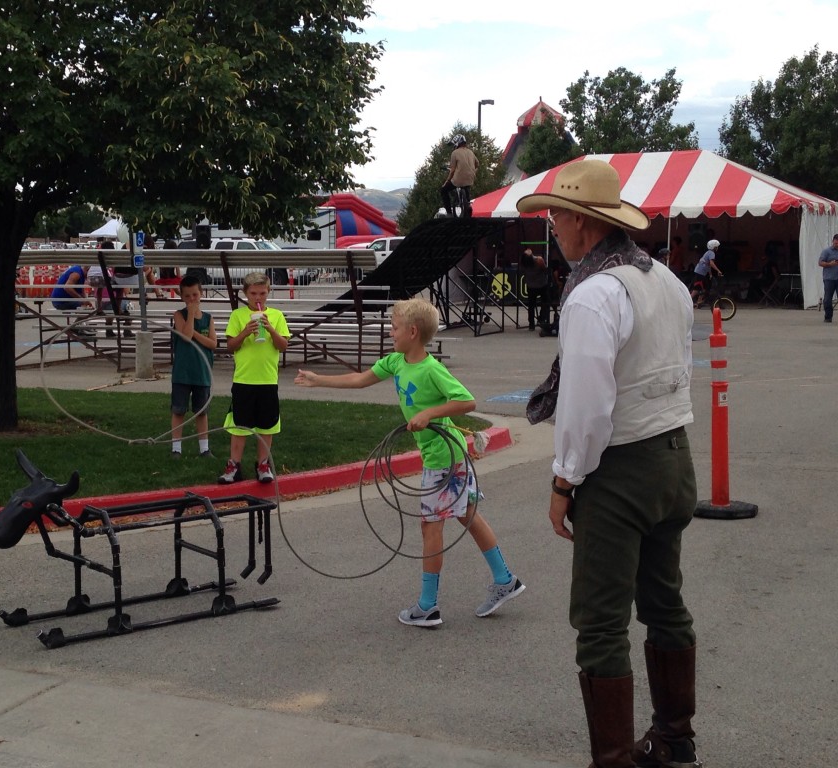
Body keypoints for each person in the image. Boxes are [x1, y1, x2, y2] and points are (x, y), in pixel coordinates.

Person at [518, 159, 701, 768]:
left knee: (600, 624)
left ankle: (616, 759)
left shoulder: (595, 293)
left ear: (580, 222)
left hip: (621, 469)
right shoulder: (665, 280)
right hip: (674, 458)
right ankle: (676, 739)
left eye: (555, 216)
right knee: (664, 600)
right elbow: (680, 369)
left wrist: (565, 479)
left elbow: (587, 405)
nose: (551, 227)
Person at [294, 297, 525, 628]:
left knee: (432, 525)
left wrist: (429, 412)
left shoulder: (431, 369)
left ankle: (428, 607)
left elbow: (467, 401)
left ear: (413, 332)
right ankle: (505, 580)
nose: (391, 332)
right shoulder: (396, 361)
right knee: (467, 515)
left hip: (444, 457)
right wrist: (319, 380)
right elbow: (360, 379)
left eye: (394, 327)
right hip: (446, 455)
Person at [218, 272, 290, 484]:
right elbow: (231, 346)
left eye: (262, 293)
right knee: (240, 426)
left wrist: (270, 328)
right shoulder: (238, 316)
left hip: (267, 379)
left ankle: (263, 464)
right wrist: (245, 332)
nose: (258, 298)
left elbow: (283, 346)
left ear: (268, 292)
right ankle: (233, 466)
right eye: (253, 293)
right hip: (244, 379)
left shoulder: (276, 316)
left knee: (266, 426)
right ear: (245, 294)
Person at [170, 274, 218, 458]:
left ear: (201, 294)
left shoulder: (208, 318)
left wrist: (197, 334)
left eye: (195, 295)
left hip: (202, 373)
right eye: (187, 296)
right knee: (179, 410)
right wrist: (190, 315)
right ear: (182, 297)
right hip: (183, 373)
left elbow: (213, 343)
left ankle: (204, 448)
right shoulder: (179, 315)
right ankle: (176, 448)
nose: (192, 299)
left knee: (201, 411)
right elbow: (185, 336)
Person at [440, 133, 479, 219]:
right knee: (466, 187)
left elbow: (453, 170)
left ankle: (449, 213)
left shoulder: (455, 153)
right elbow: (477, 164)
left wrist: (447, 181)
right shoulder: (471, 152)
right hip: (470, 178)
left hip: (458, 180)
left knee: (444, 190)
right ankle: (468, 204)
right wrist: (473, 171)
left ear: (457, 143)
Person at [520, 248, 552, 332]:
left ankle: (531, 324)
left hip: (531, 286)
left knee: (531, 305)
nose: (527, 250)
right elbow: (545, 270)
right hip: (541, 284)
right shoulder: (539, 260)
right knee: (545, 302)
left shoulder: (524, 263)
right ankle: (541, 318)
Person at [690, 239, 723, 306]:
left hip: (700, 272)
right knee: (697, 289)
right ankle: (688, 300)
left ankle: (699, 302)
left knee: (705, 287)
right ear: (714, 247)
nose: (717, 248)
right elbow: (711, 263)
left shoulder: (708, 252)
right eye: (717, 247)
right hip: (700, 273)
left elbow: (708, 265)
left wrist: (710, 274)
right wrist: (718, 270)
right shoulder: (712, 253)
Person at [818, 233, 838, 322]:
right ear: (833, 241)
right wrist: (830, 264)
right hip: (829, 278)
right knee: (827, 299)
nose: (837, 245)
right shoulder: (826, 251)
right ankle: (828, 316)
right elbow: (820, 262)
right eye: (836, 243)